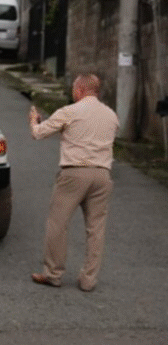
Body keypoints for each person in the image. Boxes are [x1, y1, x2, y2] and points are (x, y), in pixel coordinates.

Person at [28, 73, 119, 292]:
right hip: (102, 175)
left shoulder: (70, 111)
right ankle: (88, 280)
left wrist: (33, 120)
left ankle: (53, 274)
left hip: (74, 173)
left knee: (58, 223)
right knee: (96, 229)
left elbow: (39, 133)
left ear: (79, 90)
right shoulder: (111, 115)